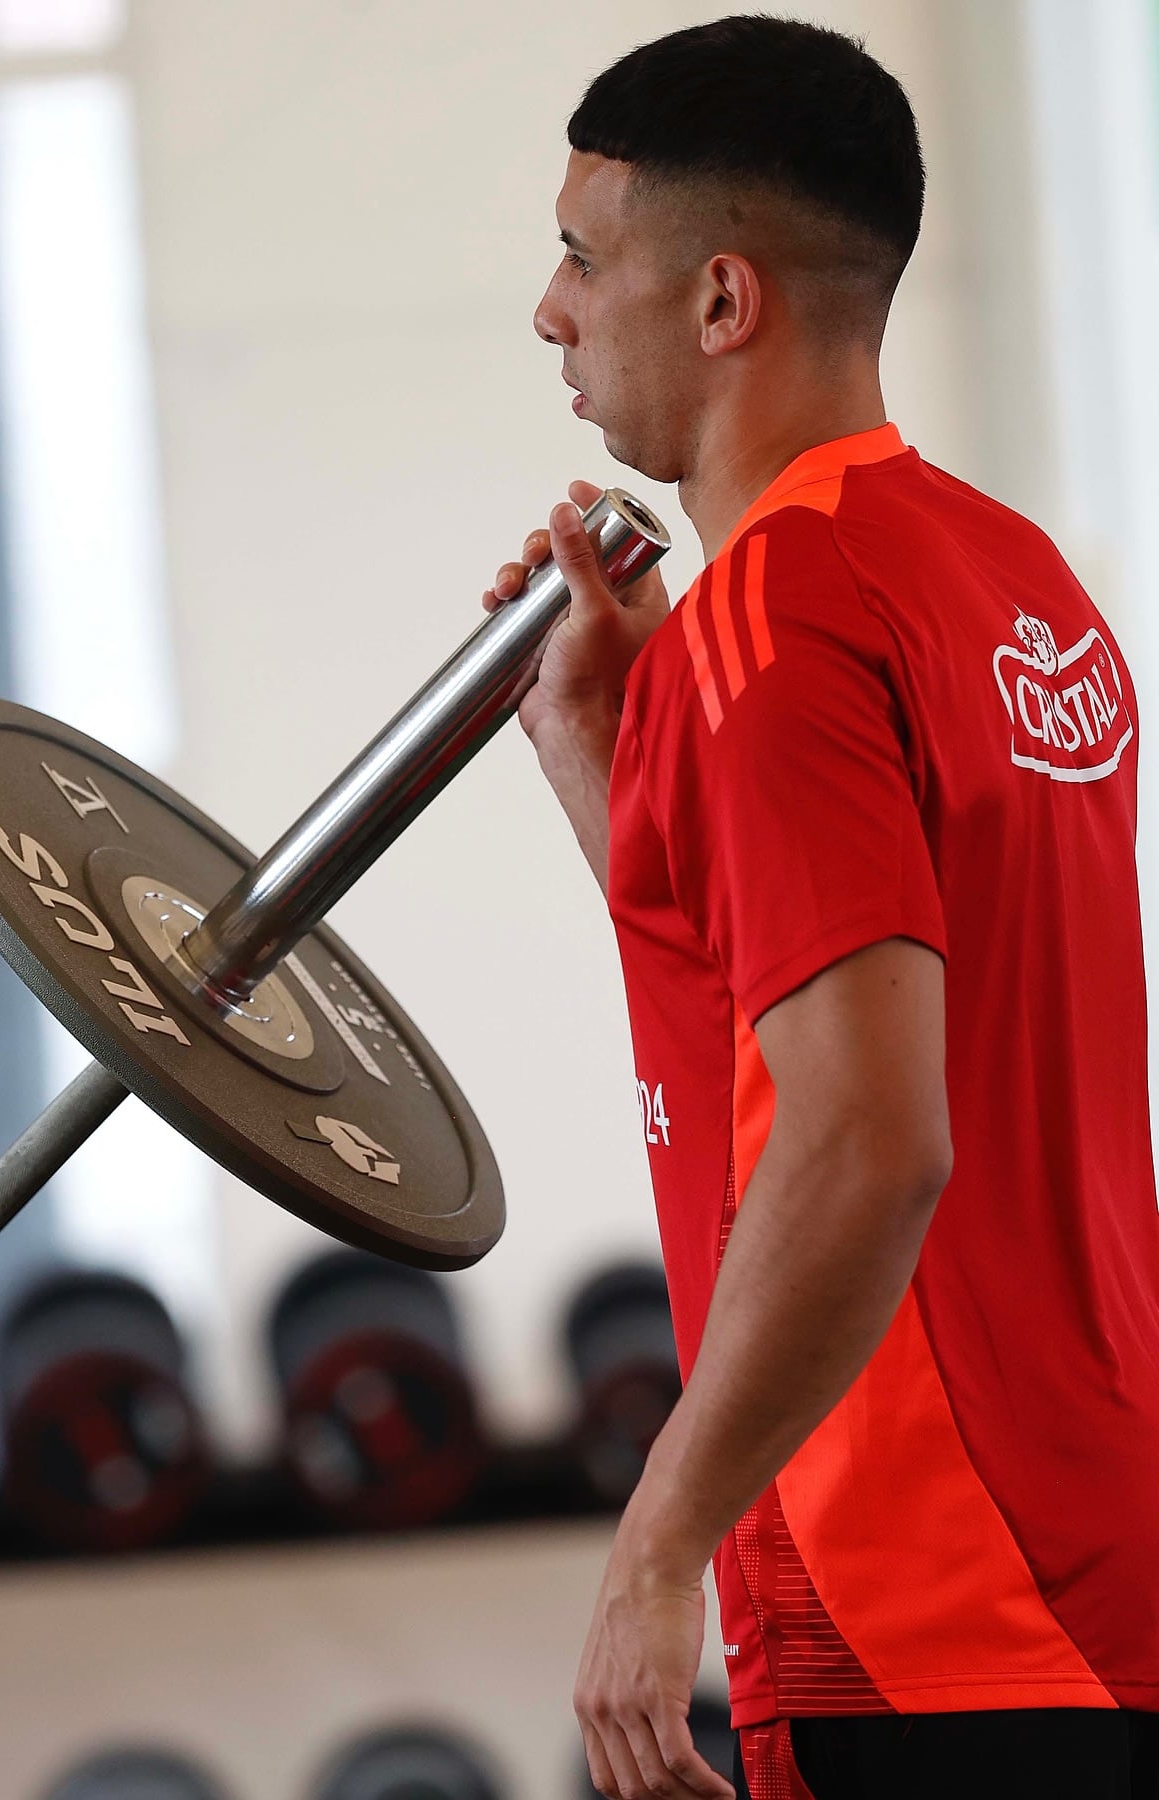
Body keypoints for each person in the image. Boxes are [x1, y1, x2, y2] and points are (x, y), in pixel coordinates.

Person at [483, 16, 1159, 1800]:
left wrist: (660, 1538)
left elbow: (868, 1133)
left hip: (925, 1607)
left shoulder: (772, 624)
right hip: (1096, 1561)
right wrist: (609, 755)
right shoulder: (1005, 574)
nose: (551, 310)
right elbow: (795, 1027)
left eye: (580, 255)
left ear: (721, 303)